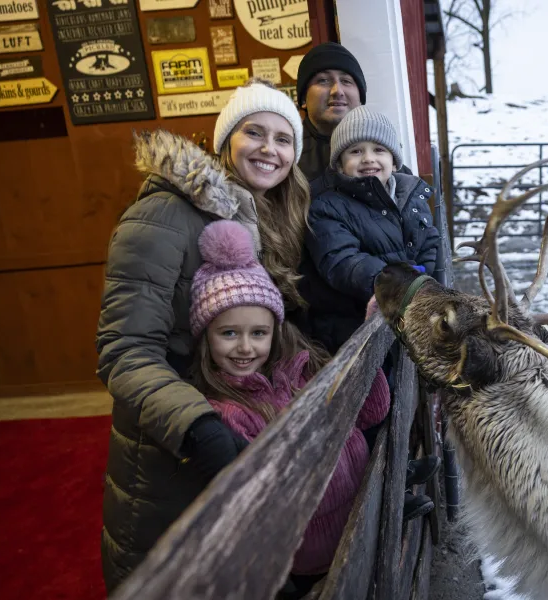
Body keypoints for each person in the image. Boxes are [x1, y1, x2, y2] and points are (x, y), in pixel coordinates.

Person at [95, 78, 310, 593]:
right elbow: (124, 349)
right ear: (224, 140)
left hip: (234, 421)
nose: (269, 149)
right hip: (172, 446)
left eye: (284, 140)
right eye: (254, 132)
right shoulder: (165, 214)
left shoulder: (266, 216)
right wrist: (196, 425)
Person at [186, 219, 391, 599]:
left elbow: (372, 412)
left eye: (258, 333)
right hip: (313, 559)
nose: (245, 347)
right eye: (229, 333)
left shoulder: (300, 370)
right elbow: (281, 499)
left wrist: (365, 352)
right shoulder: (230, 413)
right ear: (206, 338)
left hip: (363, 519)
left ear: (275, 332)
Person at [300, 106, 440, 354]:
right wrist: (392, 281)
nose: (368, 159)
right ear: (340, 166)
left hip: (409, 309)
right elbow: (343, 261)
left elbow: (428, 239)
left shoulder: (410, 198)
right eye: (355, 151)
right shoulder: (326, 207)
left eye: (379, 150)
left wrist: (423, 277)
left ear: (394, 161)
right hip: (357, 324)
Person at [296, 42, 366, 184]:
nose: (337, 91)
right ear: (303, 98)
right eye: (323, 80)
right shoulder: (287, 155)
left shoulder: (382, 149)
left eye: (346, 81)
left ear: (360, 99)